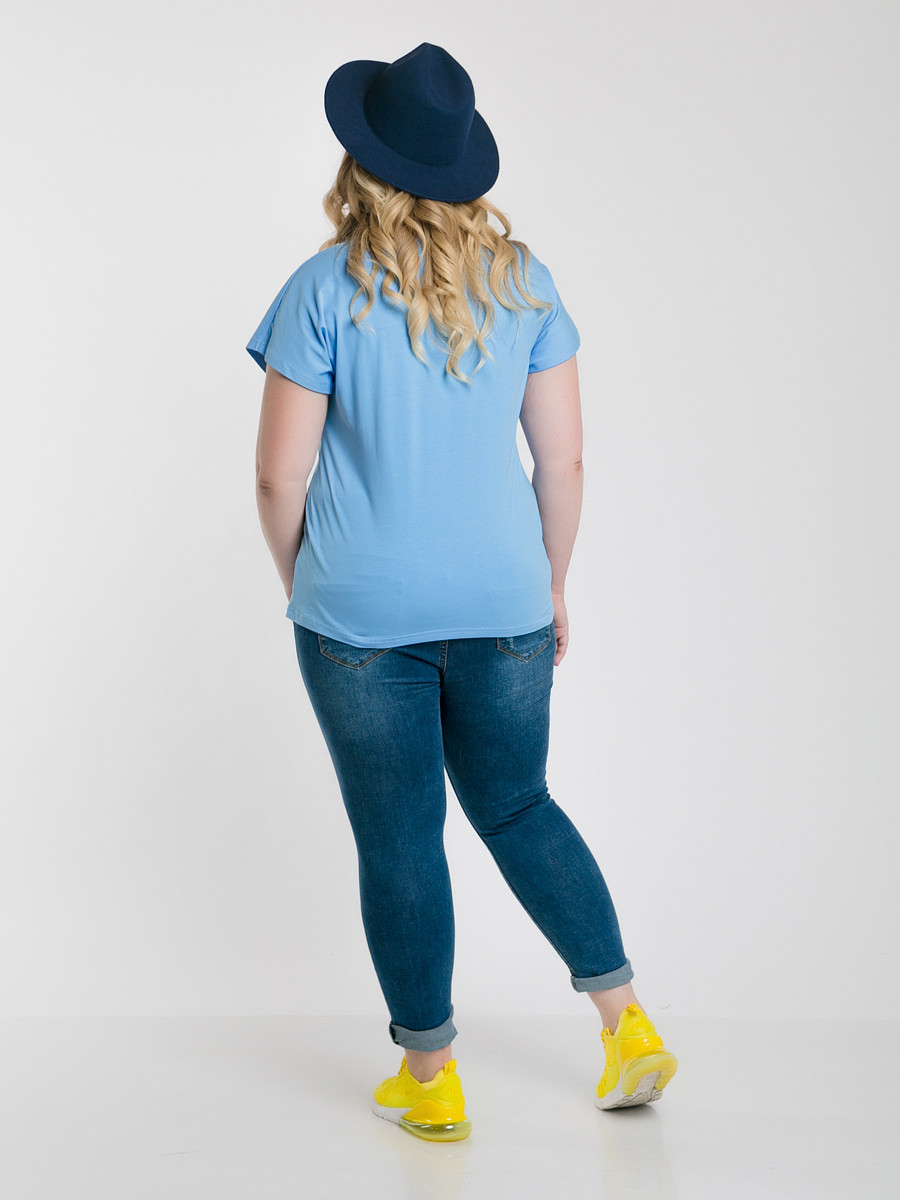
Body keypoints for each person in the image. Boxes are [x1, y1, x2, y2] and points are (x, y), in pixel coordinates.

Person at [246, 42, 677, 1142]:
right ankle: (626, 1021)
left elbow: (278, 477)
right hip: (507, 605)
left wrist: (308, 584)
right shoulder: (526, 284)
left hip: (357, 616)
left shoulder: (321, 289)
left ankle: (431, 1079)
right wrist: (551, 584)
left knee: (400, 837)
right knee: (519, 805)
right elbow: (563, 463)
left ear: (361, 162)